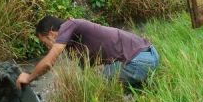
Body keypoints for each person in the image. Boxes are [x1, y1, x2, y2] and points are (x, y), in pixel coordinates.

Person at [16, 16, 159, 90]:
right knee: (97, 79)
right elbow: (87, 77)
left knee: (102, 84)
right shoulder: (75, 47)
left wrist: (29, 78)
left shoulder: (70, 25)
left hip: (140, 60)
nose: (46, 47)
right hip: (148, 57)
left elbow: (48, 62)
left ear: (52, 33)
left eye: (44, 42)